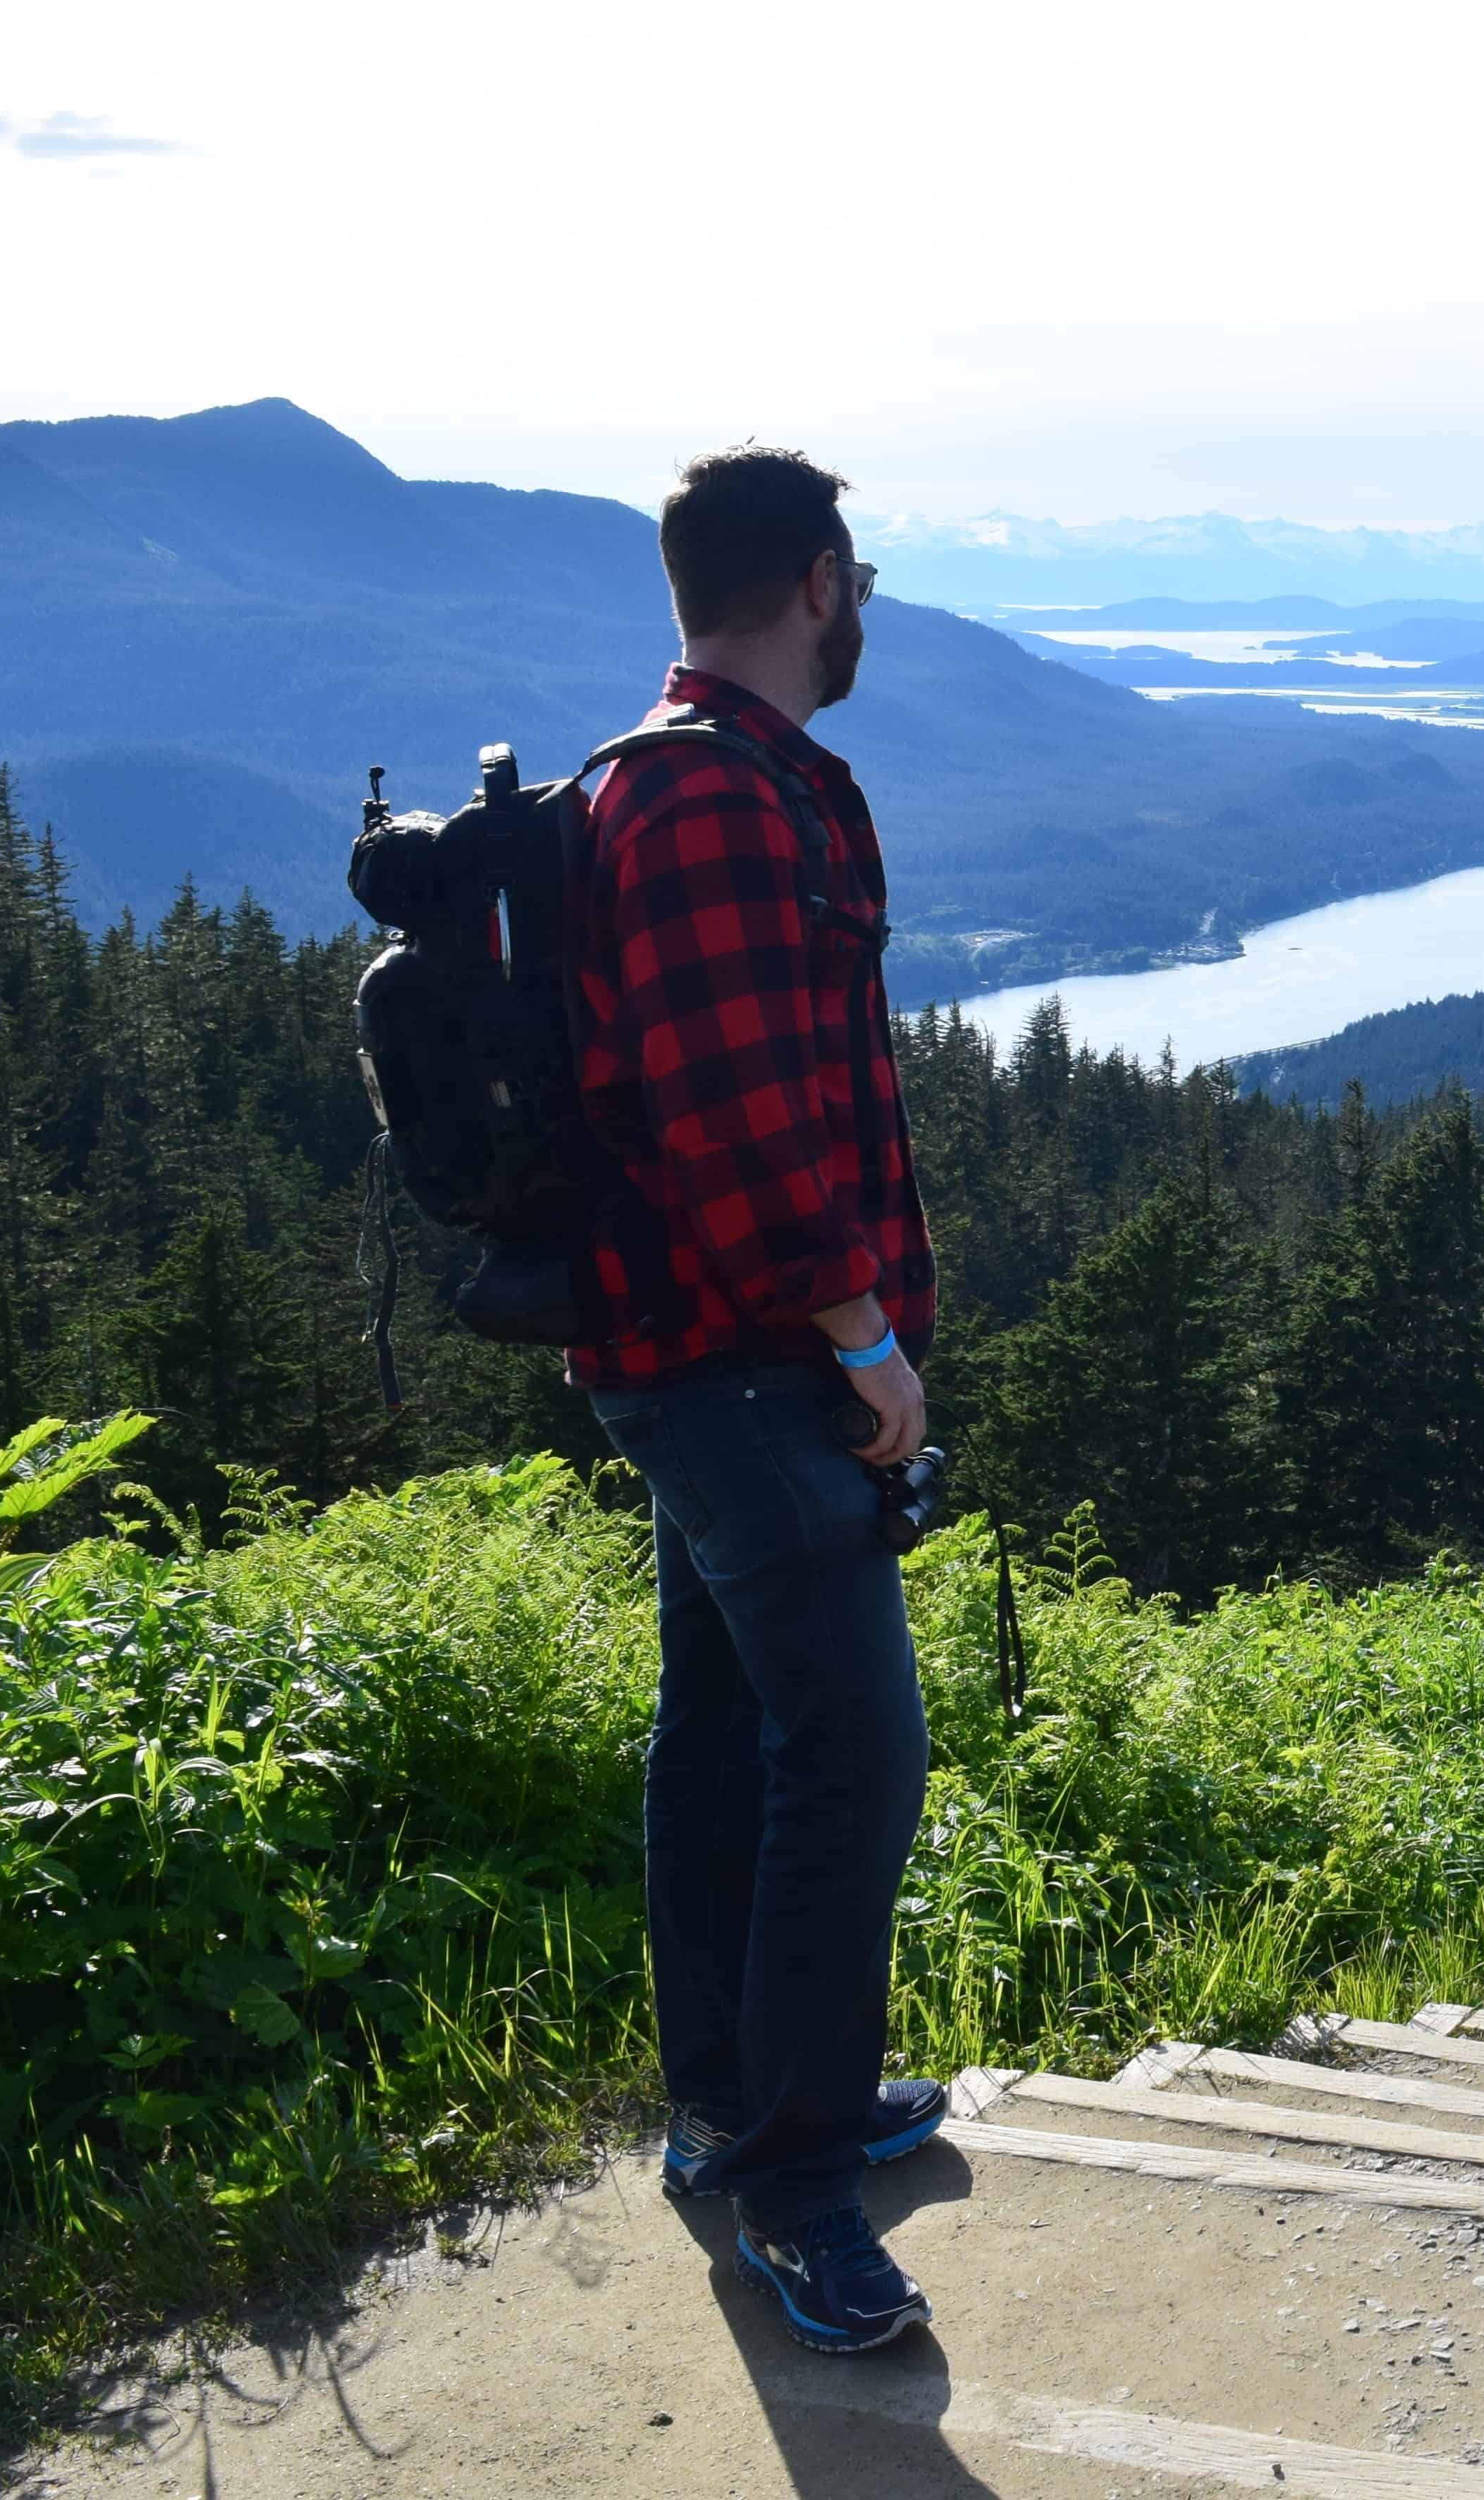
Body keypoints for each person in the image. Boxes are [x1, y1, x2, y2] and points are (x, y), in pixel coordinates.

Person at [573, 447, 946, 2353]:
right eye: (856, 575)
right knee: (853, 1759)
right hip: (747, 1362)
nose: (861, 601)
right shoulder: (714, 801)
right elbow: (738, 1122)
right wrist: (862, 1334)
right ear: (814, 583)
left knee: (722, 1726)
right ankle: (802, 2185)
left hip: (696, 1351)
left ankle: (735, 2106)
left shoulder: (685, 780)